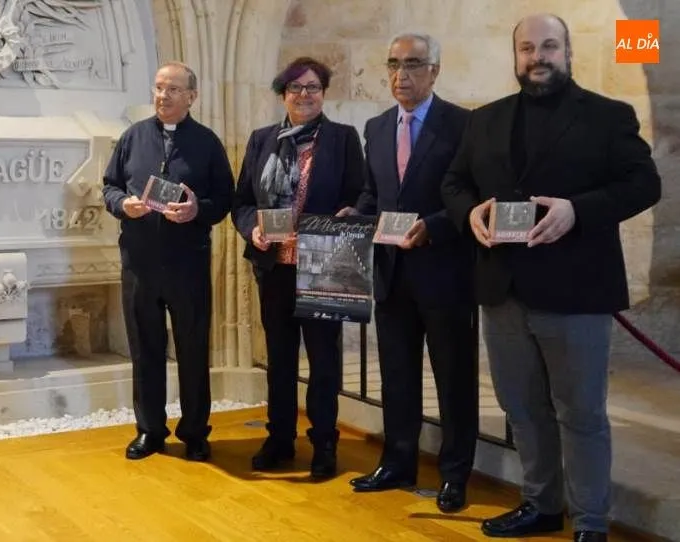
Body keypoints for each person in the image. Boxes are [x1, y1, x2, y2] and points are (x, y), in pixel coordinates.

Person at [440, 14, 661, 542]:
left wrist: (578, 210)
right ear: (515, 55)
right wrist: (469, 213)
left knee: (581, 413)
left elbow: (644, 183)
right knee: (521, 408)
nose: (538, 57)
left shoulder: (608, 116)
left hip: (576, 291)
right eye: (527, 48)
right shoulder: (485, 119)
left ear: (567, 52)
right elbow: (454, 182)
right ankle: (541, 504)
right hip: (502, 290)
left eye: (549, 47)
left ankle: (590, 524)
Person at [339, 33, 478, 514]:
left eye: (414, 64)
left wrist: (434, 227)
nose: (402, 74)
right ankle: (397, 462)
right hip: (391, 272)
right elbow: (373, 197)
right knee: (397, 376)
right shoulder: (376, 127)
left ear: (435, 71)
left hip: (445, 273)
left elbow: (474, 197)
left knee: (454, 380)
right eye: (394, 64)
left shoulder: (463, 124)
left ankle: (455, 475)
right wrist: (352, 215)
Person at [232, 56, 364, 480]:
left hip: (325, 263)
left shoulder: (343, 139)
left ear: (324, 94)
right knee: (281, 358)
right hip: (274, 266)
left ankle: (324, 443)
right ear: (282, 94)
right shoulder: (262, 140)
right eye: (295, 88)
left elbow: (362, 194)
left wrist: (351, 212)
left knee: (325, 361)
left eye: (312, 88)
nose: (304, 95)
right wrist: (252, 228)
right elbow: (242, 202)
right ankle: (280, 438)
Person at [102, 61, 235, 462]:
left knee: (193, 350)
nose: (163, 96)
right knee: (145, 348)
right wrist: (124, 204)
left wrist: (198, 210)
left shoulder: (208, 143)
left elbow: (224, 200)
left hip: (187, 265)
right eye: (159, 88)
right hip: (140, 263)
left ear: (192, 97)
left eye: (173, 90)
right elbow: (108, 187)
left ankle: (195, 431)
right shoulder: (132, 137)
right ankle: (150, 430)